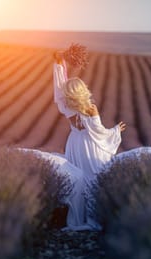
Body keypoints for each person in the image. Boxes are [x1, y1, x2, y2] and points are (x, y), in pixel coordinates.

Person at [53, 52, 126, 187]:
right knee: (94, 179)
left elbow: (59, 88)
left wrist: (58, 64)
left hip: (74, 144)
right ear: (82, 90)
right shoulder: (91, 109)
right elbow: (98, 131)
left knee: (76, 180)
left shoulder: (65, 106)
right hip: (89, 146)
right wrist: (116, 130)